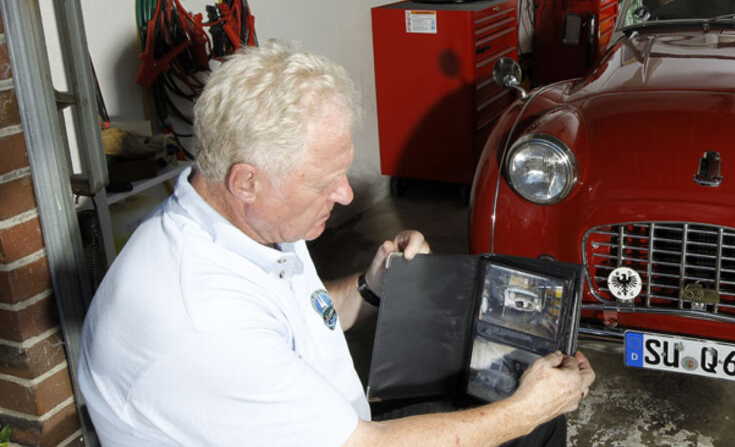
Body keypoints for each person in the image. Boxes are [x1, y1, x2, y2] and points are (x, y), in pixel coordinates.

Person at [77, 42, 594, 446]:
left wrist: (371, 287)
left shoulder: (245, 222)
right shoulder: (202, 321)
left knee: (520, 394)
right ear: (246, 181)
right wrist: (527, 409)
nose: (345, 194)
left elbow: (297, 315)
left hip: (334, 423)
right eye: (324, 181)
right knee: (527, 417)